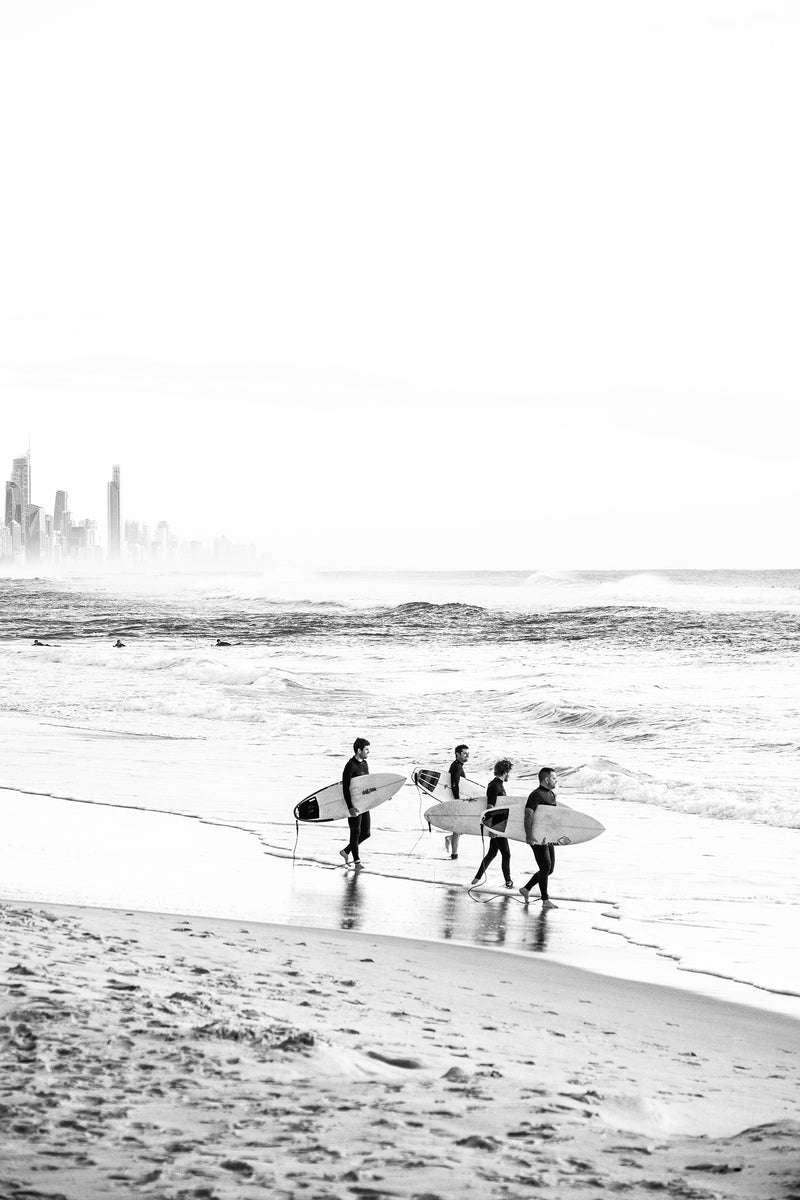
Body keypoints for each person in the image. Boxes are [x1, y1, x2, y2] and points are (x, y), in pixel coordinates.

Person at [470, 758, 514, 889]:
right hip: (497, 825)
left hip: (499, 824)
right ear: (505, 771)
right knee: (506, 854)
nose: (509, 775)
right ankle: (508, 881)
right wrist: (492, 829)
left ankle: (476, 878)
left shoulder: (498, 784)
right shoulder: (494, 786)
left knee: (492, 853)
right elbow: (490, 807)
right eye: (509, 772)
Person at [520, 767, 558, 910]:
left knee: (550, 869)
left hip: (547, 836)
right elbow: (528, 814)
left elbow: (551, 817)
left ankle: (526, 889)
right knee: (545, 867)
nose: (556, 780)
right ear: (546, 779)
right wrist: (528, 835)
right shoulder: (536, 795)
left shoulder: (552, 794)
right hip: (536, 836)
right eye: (554, 778)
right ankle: (545, 900)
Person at [340, 737, 371, 870]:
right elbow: (345, 788)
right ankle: (357, 862)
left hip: (364, 804)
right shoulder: (350, 766)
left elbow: (367, 784)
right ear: (359, 750)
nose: (368, 752)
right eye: (366, 750)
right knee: (356, 831)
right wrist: (350, 807)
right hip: (353, 804)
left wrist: (381, 795)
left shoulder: (364, 764)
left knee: (366, 833)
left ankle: (346, 851)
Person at [444, 743, 470, 859]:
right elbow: (454, 784)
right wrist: (457, 801)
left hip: (457, 800)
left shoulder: (458, 765)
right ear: (457, 754)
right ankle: (454, 855)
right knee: (458, 827)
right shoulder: (456, 767)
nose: (467, 756)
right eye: (464, 754)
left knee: (461, 827)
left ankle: (450, 838)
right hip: (456, 801)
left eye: (468, 754)